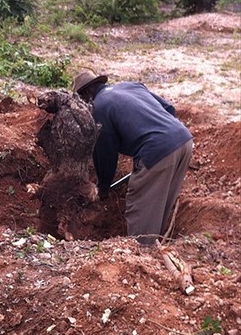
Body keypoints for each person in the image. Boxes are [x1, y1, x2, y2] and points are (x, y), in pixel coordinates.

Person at [73, 71, 193, 245]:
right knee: (159, 204)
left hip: (157, 150)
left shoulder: (99, 107)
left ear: (86, 94)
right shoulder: (131, 86)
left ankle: (141, 255)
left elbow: (106, 153)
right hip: (183, 140)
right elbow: (169, 109)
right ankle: (156, 249)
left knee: (140, 205)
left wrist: (104, 187)